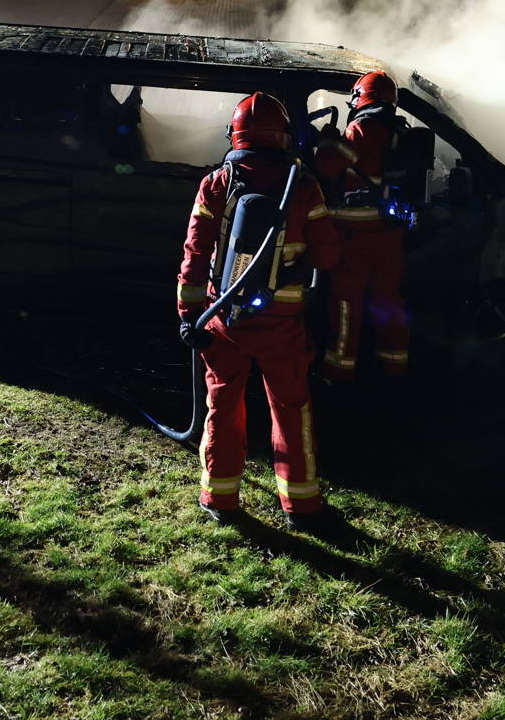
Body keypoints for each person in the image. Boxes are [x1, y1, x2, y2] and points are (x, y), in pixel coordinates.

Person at [176, 92, 341, 528]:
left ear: (235, 134)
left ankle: (220, 499)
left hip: (223, 320)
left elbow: (195, 254)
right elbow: (327, 256)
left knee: (223, 404)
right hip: (282, 323)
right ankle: (302, 505)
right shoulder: (303, 185)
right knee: (290, 407)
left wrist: (188, 315)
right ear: (281, 135)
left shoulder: (216, 183)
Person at [312, 70, 411, 381]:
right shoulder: (399, 130)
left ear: (360, 97)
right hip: (390, 237)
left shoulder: (364, 126)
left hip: (357, 239)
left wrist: (327, 142)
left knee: (346, 306)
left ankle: (338, 373)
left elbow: (330, 165)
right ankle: (392, 367)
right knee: (388, 303)